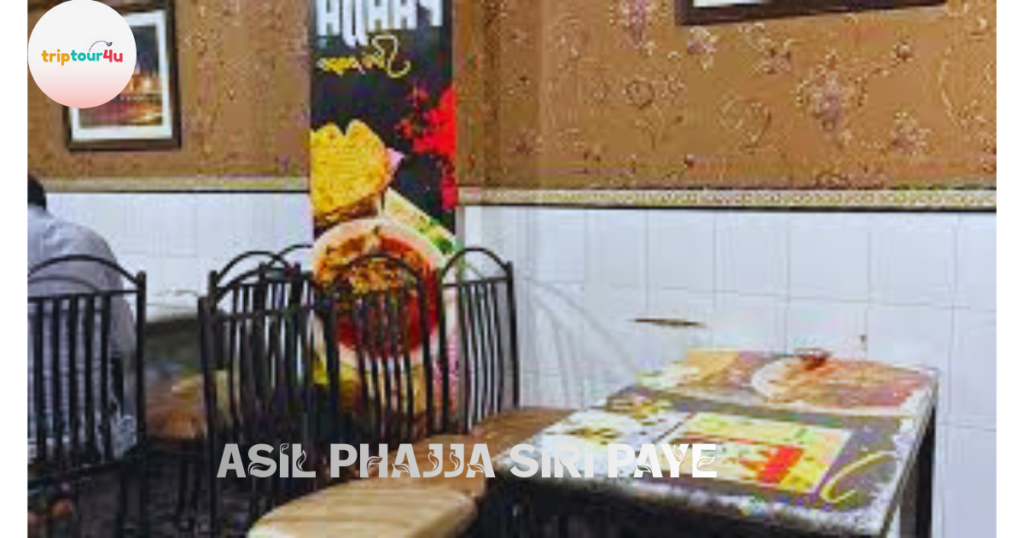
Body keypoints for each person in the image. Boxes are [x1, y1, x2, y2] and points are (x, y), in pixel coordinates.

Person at [27, 174, 137, 465]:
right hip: (92, 424)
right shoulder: (91, 241)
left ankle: (39, 497)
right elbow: (125, 341)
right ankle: (49, 496)